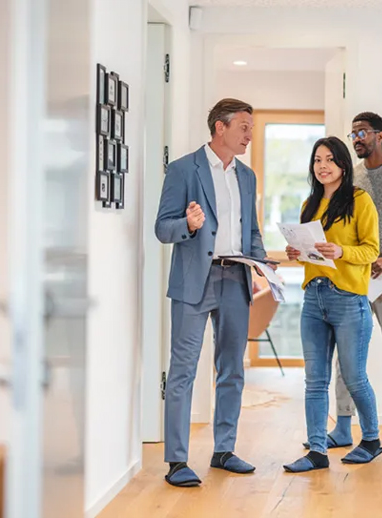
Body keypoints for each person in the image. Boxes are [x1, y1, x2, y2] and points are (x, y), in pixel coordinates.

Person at [155, 98, 274, 487]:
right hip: (194, 280)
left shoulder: (247, 176)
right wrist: (187, 225)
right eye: (243, 127)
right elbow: (162, 228)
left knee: (232, 370)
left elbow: (250, 230)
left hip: (235, 278)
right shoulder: (182, 169)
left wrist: (261, 265)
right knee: (184, 371)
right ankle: (176, 461)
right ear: (219, 128)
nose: (249, 135)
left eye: (251, 128)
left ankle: (224, 450)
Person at [304, 112, 382, 450]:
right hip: (354, 276)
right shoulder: (353, 178)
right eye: (353, 134)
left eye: (363, 132)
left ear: (380, 135)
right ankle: (343, 424)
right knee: (344, 356)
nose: (357, 138)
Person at [282, 136, 382, 473]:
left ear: (342, 164)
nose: (322, 166)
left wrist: (342, 252)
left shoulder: (359, 200)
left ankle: (371, 439)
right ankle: (317, 451)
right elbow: (311, 257)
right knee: (314, 380)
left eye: (329, 160)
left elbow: (371, 250)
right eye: (317, 160)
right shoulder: (309, 204)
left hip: (348, 299)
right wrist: (297, 254)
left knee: (354, 377)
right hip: (314, 296)